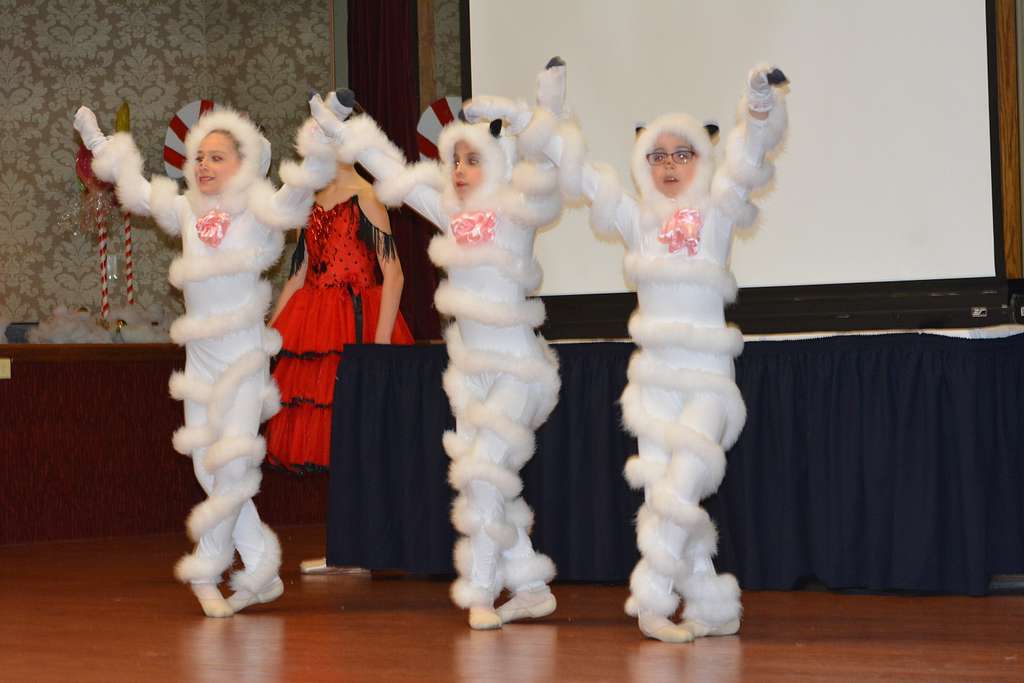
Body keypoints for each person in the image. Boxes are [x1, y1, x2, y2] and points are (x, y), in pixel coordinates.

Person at [529, 59, 790, 642]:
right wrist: (553, 108)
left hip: (707, 386)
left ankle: (649, 601)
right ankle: (713, 607)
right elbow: (579, 174)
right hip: (652, 387)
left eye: (683, 153)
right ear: (643, 162)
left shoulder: (718, 210)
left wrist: (759, 107)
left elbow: (750, 161)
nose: (670, 165)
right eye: (658, 155)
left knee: (679, 490)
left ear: (702, 157)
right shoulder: (635, 218)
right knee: (665, 499)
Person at [308, 71, 564, 629]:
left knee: (485, 471)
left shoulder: (514, 214)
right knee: (481, 477)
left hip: (517, 371)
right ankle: (530, 584)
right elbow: (392, 170)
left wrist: (545, 108)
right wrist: (342, 125)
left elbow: (544, 170)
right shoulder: (450, 213)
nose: (462, 171)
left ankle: (479, 589)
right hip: (469, 373)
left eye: (474, 160)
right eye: (456, 161)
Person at [74, 99, 337, 617]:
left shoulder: (261, 213)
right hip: (201, 365)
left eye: (217, 157)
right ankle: (260, 562)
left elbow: (304, 182)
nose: (204, 166)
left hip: (242, 363)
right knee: (206, 468)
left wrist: (325, 132)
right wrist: (101, 144)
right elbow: (137, 189)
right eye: (200, 157)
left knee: (231, 466)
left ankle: (209, 570)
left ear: (245, 164)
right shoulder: (188, 210)